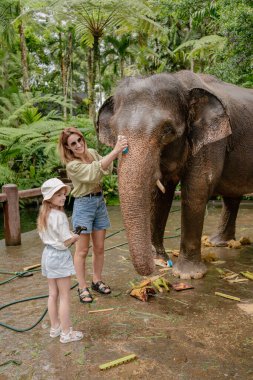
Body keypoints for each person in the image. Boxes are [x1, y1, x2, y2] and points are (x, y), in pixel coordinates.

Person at [58, 127, 128, 304]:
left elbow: (106, 168)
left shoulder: (92, 153)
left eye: (79, 140)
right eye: (73, 143)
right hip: (83, 206)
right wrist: (115, 150)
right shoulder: (72, 165)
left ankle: (96, 280)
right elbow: (93, 173)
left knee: (99, 247)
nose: (78, 145)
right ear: (68, 148)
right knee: (82, 250)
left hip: (99, 203)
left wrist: (118, 150)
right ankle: (82, 287)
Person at [37, 177, 83, 343]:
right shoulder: (60, 216)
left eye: (64, 194)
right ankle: (66, 333)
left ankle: (55, 327)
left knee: (52, 294)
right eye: (58, 195)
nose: (63, 197)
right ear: (50, 197)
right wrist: (75, 237)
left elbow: (52, 236)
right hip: (59, 257)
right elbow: (65, 241)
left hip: (48, 255)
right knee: (64, 296)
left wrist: (68, 235)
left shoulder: (44, 214)